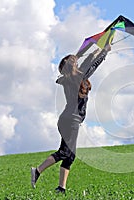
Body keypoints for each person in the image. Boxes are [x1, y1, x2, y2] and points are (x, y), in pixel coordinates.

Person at [31, 44, 111, 194]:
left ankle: (61, 188)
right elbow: (92, 66)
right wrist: (104, 51)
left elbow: (88, 64)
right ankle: (38, 171)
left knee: (70, 155)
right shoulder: (75, 77)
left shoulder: (71, 78)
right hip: (71, 120)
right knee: (64, 153)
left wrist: (94, 52)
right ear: (71, 66)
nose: (77, 63)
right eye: (74, 62)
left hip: (68, 120)